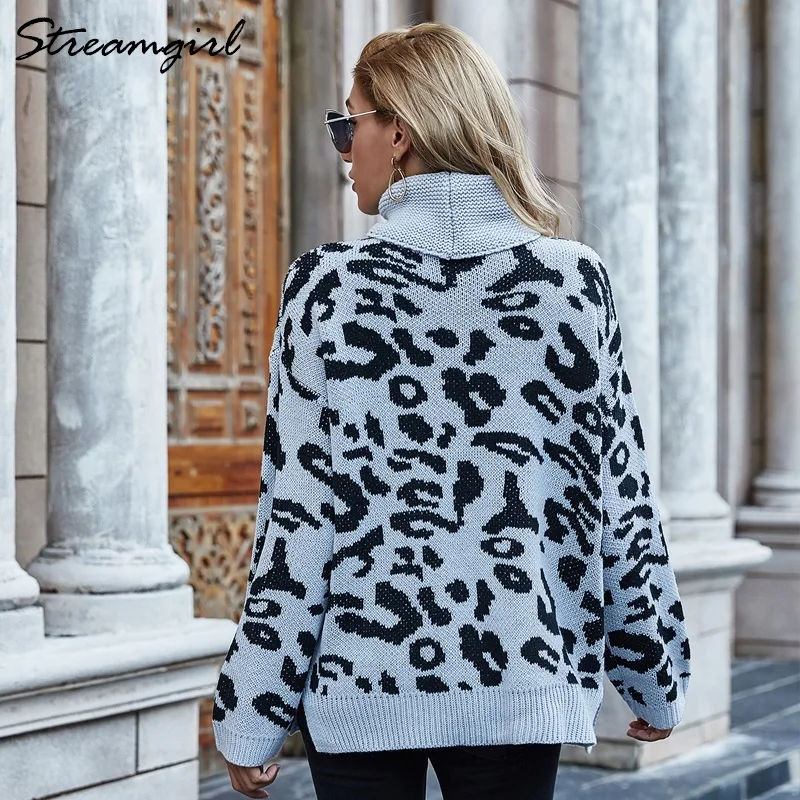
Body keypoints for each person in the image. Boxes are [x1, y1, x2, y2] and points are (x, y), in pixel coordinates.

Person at [212, 21, 691, 800]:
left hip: (361, 685)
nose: (343, 151)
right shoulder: (572, 285)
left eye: (347, 124)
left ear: (398, 132)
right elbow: (619, 501)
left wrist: (253, 710)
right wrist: (653, 671)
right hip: (521, 680)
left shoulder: (327, 290)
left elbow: (297, 520)